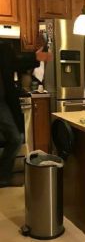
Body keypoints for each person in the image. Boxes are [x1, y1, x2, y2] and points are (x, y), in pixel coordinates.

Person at [0, 42, 49, 187]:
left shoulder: (3, 48)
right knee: (15, 137)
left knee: (16, 137)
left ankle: (3, 176)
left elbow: (16, 62)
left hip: (3, 102)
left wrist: (35, 57)